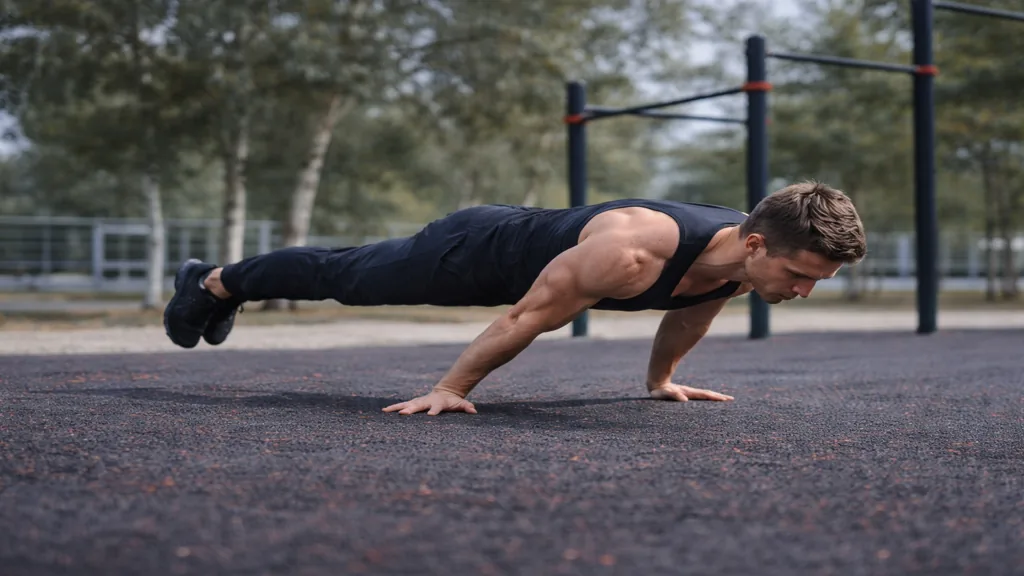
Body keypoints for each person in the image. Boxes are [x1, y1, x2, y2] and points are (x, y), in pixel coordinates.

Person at [163, 181, 866, 415]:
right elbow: (528, 318)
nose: (802, 292)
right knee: (346, 278)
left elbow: (694, 307)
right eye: (801, 275)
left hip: (526, 259)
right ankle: (213, 281)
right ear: (754, 245)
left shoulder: (740, 265)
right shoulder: (632, 249)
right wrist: (450, 387)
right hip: (479, 251)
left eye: (814, 283)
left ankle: (218, 285)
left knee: (346, 276)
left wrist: (662, 381)